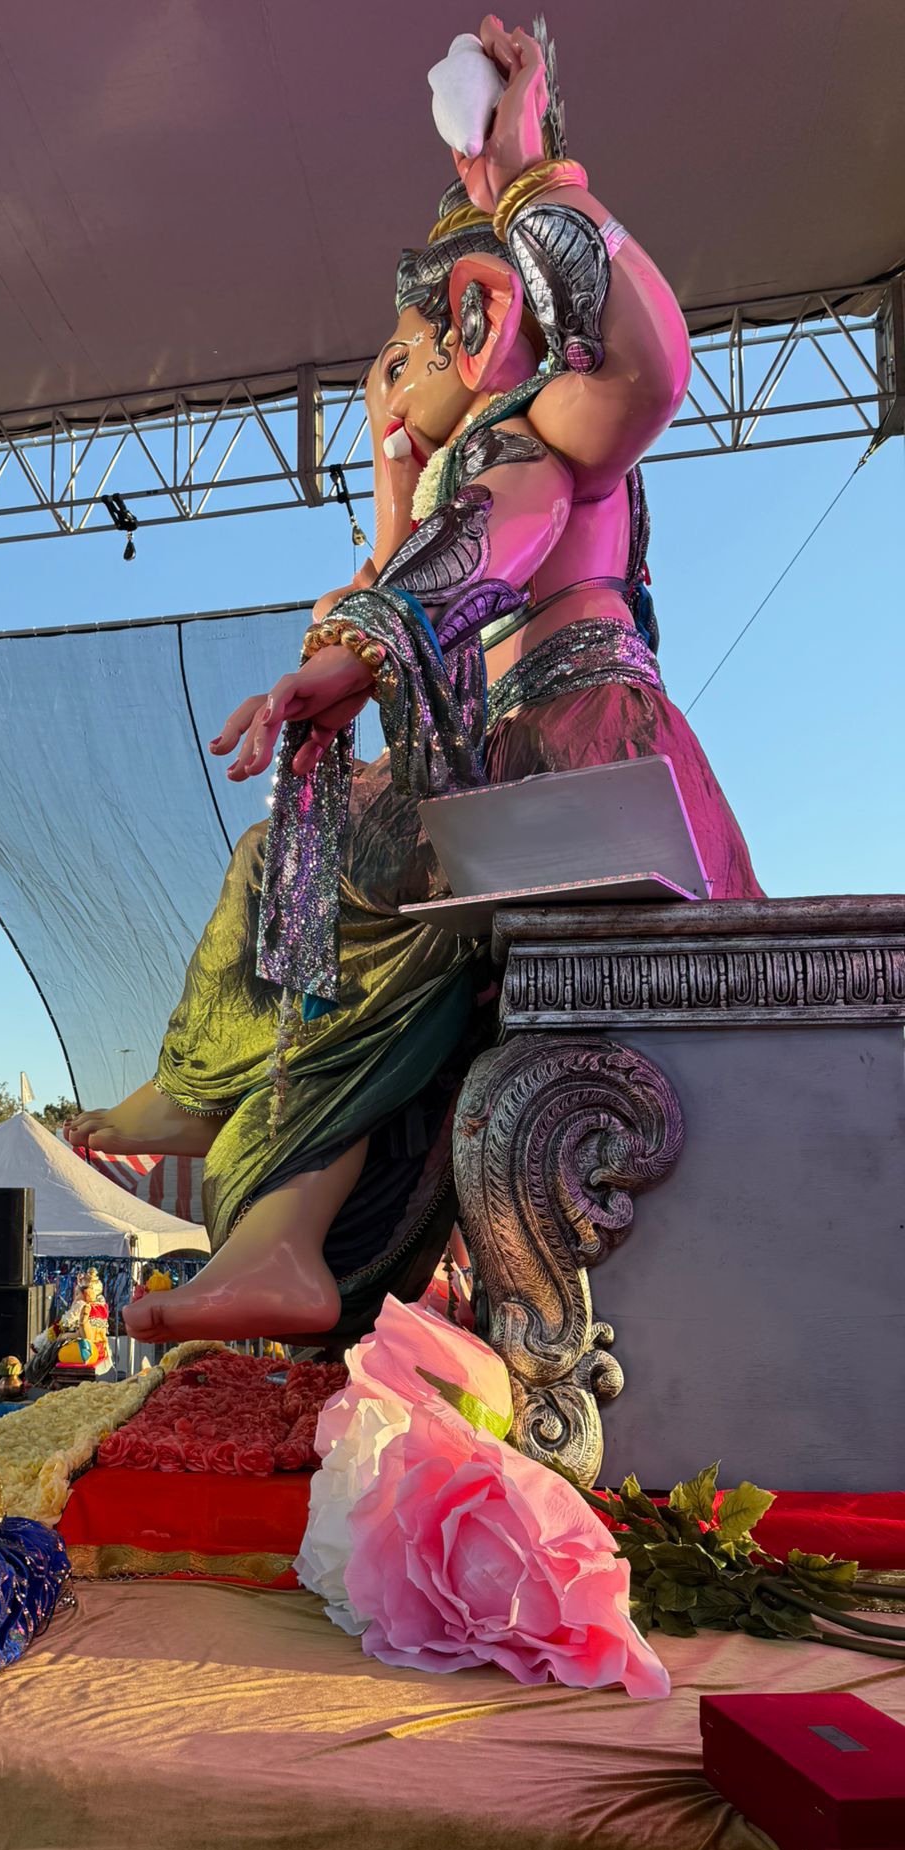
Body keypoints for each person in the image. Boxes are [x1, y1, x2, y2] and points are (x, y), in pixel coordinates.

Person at [69, 17, 760, 1348]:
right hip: (502, 771)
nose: (380, 389)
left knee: (315, 880)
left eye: (401, 357)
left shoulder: (542, 427)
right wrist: (388, 501)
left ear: (483, 324)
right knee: (342, 940)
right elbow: (418, 574)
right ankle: (278, 1235)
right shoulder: (470, 452)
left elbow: (532, 492)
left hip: (570, 750)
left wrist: (529, 178)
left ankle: (218, 1122)